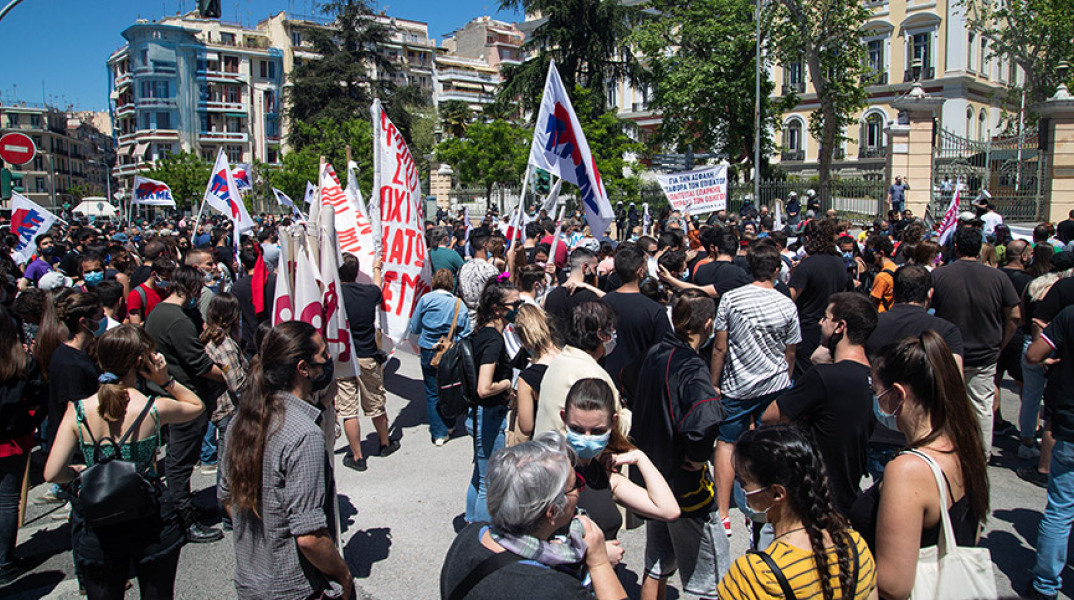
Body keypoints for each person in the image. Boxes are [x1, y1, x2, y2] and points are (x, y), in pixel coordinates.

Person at [44, 325, 205, 600]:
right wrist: (165, 380)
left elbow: (51, 473)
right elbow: (196, 406)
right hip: (150, 517)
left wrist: (80, 471)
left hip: (99, 522)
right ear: (140, 363)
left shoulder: (78, 411)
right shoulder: (153, 407)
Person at [850, 332, 990, 600]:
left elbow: (892, 586)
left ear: (898, 394)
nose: (875, 402)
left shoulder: (908, 470)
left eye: (876, 392)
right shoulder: (965, 445)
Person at [219, 321, 354, 600]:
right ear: (304, 368)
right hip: (294, 588)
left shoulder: (239, 422)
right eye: (324, 354)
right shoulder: (304, 436)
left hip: (250, 582)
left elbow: (227, 497)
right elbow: (309, 537)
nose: (329, 360)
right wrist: (344, 575)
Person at [626, 290, 729, 600]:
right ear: (708, 324)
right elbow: (704, 420)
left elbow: (627, 380)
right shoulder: (691, 365)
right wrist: (697, 458)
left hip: (652, 477)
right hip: (684, 485)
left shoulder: (656, 351)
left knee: (657, 562)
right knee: (713, 580)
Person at [439, 432, 628, 599]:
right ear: (552, 512)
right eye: (576, 484)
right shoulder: (555, 589)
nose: (580, 489)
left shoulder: (469, 536)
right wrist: (599, 563)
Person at [718, 425, 878, 600]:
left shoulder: (753, 576)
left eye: (744, 483)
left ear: (777, 493)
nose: (743, 491)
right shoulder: (856, 548)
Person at [710, 242, 800, 536]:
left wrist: (714, 381)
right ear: (776, 270)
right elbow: (790, 352)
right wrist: (785, 379)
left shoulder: (731, 299)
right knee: (769, 444)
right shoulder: (787, 303)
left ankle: (723, 513)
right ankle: (765, 506)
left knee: (726, 443)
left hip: (738, 384)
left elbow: (719, 347)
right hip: (774, 384)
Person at [763, 292, 877, 515]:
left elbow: (771, 415)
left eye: (826, 317)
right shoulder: (871, 377)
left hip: (815, 493)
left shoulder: (825, 378)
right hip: (848, 492)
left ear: (840, 326)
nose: (820, 322)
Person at [144, 266, 227, 543]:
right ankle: (183, 518)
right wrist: (229, 373)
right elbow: (199, 364)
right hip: (183, 396)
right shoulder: (176, 320)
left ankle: (185, 507)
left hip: (171, 393)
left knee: (180, 459)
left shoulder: (161, 312)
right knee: (179, 462)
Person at [863, 266, 965, 477]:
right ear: (930, 294)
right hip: (923, 434)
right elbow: (955, 383)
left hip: (875, 428)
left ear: (895, 291)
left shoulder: (871, 325)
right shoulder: (946, 331)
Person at [562, 378, 679, 557]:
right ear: (564, 418)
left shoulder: (604, 477)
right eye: (577, 429)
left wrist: (639, 457)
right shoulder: (551, 472)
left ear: (613, 423)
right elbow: (530, 543)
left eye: (597, 431)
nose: (586, 439)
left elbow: (668, 510)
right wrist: (593, 554)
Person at [930, 226, 1021, 456]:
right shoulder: (998, 278)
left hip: (947, 353)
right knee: (981, 406)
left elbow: (924, 310)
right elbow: (1015, 315)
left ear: (956, 247)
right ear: (979, 249)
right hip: (985, 353)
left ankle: (943, 451)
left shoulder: (939, 275)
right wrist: (1002, 343)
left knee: (944, 403)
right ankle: (981, 456)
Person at [1025, 305, 1074, 599]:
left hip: (1070, 426)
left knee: (1060, 509)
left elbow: (1033, 355)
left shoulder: (1069, 315)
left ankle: (1045, 585)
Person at [466, 280, 520, 523]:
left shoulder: (483, 331)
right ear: (498, 308)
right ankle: (482, 537)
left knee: (480, 476)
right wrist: (507, 384)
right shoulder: (494, 340)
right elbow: (484, 387)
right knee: (491, 483)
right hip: (487, 416)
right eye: (515, 304)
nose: (518, 308)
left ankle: (470, 525)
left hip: (478, 414)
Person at [337, 253, 397, 471]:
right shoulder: (368, 293)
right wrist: (377, 269)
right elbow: (378, 287)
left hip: (343, 356)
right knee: (375, 401)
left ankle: (357, 456)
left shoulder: (333, 296)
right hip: (367, 355)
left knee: (348, 408)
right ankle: (384, 443)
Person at [0, 305, 46, 584]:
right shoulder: (21, 363)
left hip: (14, 437)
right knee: (7, 501)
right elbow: (36, 399)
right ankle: (4, 562)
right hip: (13, 439)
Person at [533, 301, 625, 436]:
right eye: (611, 330)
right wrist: (627, 415)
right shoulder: (593, 375)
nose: (613, 335)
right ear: (601, 335)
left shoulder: (559, 360)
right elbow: (616, 427)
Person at [199, 292, 248, 530]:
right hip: (228, 409)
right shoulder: (224, 344)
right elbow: (237, 383)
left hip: (220, 408)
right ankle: (229, 511)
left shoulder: (209, 338)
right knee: (228, 460)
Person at [410, 268, 472, 445]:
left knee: (431, 392)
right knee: (449, 386)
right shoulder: (458, 304)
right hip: (449, 351)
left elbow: (414, 327)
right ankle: (450, 423)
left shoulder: (425, 300)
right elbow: (465, 332)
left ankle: (439, 432)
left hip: (428, 349)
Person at [600, 244, 673, 392]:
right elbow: (665, 352)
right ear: (640, 272)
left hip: (607, 381)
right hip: (641, 384)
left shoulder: (602, 304)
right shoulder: (654, 310)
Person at [790, 219, 850, 378]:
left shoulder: (807, 265)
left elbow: (790, 297)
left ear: (808, 239)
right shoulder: (839, 263)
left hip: (807, 330)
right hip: (832, 328)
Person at [509, 305, 560, 446]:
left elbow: (526, 427)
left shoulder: (528, 378)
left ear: (524, 339)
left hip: (544, 443)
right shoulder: (567, 358)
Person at [231, 247, 276, 356]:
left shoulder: (238, 286)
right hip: (272, 335)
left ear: (243, 265)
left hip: (250, 339)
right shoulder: (274, 281)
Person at [543, 248, 601, 333]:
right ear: (585, 267)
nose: (595, 273)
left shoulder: (552, 295)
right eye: (594, 268)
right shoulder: (590, 297)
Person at [457, 227, 500, 324]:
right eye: (491, 242)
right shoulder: (490, 270)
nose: (492, 245)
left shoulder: (462, 268)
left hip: (465, 321)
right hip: (483, 322)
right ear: (485, 244)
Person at [126, 257, 176, 326]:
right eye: (165, 279)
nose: (168, 282)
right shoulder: (136, 295)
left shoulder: (164, 292)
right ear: (153, 274)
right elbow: (136, 326)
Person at [864, 234, 898, 312]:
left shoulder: (882, 277)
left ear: (881, 253)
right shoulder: (895, 268)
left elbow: (873, 301)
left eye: (871, 252)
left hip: (881, 314)